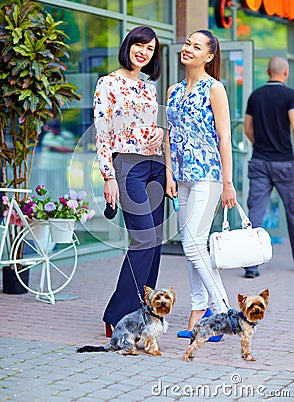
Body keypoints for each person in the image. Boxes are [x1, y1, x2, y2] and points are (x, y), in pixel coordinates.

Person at [93, 26, 165, 337]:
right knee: (143, 240)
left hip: (155, 166)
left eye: (150, 49)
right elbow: (102, 132)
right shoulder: (108, 83)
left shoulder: (149, 88)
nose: (143, 52)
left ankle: (143, 312)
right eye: (140, 45)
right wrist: (109, 177)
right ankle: (117, 314)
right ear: (129, 45)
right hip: (127, 167)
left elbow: (149, 129)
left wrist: (160, 133)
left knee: (156, 242)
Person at [165, 29, 237, 339]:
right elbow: (169, 136)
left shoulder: (214, 88)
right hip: (181, 177)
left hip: (208, 174)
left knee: (193, 243)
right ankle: (198, 311)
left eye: (196, 47)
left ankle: (222, 313)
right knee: (191, 246)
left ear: (208, 56)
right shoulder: (172, 91)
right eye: (186, 44)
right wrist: (168, 173)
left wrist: (229, 182)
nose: (187, 49)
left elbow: (225, 136)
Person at [244, 57, 294, 278]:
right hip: (285, 162)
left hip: (259, 162)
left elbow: (247, 129)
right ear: (286, 72)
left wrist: (262, 146)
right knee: (292, 213)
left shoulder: (255, 95)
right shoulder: (290, 95)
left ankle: (251, 266)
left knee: (255, 213)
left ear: (267, 71)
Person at [37, 119, 76, 198]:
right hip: (45, 166)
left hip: (59, 166)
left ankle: (61, 200)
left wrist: (55, 148)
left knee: (59, 186)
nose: (52, 131)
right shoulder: (48, 135)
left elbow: (71, 149)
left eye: (53, 129)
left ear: (58, 128)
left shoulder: (67, 136)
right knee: (45, 186)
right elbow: (43, 149)